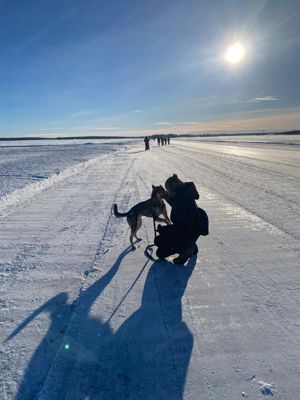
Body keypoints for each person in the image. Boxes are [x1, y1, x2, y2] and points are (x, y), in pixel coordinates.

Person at [154, 174, 209, 264]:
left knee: (159, 249)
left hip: (187, 231)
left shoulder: (182, 199)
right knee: (159, 241)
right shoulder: (184, 194)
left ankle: (187, 248)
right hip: (192, 230)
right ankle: (190, 245)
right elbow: (176, 203)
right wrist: (165, 196)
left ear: (173, 189)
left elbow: (182, 228)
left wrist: (165, 230)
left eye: (169, 190)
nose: (169, 193)